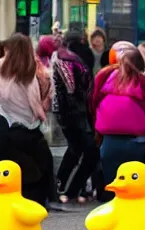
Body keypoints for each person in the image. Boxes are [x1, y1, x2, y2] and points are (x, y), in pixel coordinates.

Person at [0, 33, 56, 207]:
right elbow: (37, 104)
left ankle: (8, 201)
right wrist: (42, 112)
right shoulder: (31, 73)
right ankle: (40, 201)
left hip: (3, 125)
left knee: (8, 168)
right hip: (26, 128)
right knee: (42, 164)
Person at [92, 49, 145, 202]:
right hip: (136, 139)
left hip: (109, 138)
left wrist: (94, 126)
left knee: (111, 177)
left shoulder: (105, 76)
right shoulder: (144, 82)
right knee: (133, 175)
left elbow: (94, 100)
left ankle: (112, 203)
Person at [53, 31, 99, 204]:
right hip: (75, 112)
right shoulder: (70, 59)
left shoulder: (65, 57)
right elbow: (73, 89)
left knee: (76, 150)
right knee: (87, 151)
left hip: (71, 112)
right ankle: (68, 188)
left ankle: (63, 187)